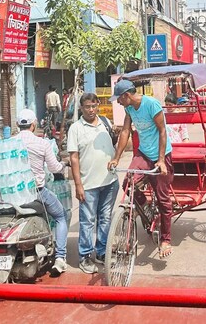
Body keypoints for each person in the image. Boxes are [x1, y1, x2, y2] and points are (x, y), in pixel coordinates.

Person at [108, 79, 174, 259]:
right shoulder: (129, 109)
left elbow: (162, 131)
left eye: (119, 99)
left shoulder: (151, 104)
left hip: (161, 154)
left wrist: (161, 160)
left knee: (163, 199)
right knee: (128, 183)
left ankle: (166, 239)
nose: (118, 102)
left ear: (126, 96)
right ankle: (145, 208)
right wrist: (116, 158)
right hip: (143, 153)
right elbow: (125, 132)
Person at [67, 93, 119, 274]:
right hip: (88, 185)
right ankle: (85, 256)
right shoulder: (75, 128)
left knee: (105, 218)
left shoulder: (105, 122)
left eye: (94, 106)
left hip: (110, 181)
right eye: (87, 107)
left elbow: (113, 144)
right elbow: (74, 158)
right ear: (81, 108)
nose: (91, 110)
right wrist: (78, 185)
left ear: (98, 106)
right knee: (87, 221)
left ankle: (102, 252)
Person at [17, 108, 69, 276]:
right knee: (61, 216)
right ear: (33, 125)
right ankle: (60, 258)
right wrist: (64, 164)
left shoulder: (10, 142)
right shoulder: (42, 143)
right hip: (38, 192)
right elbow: (54, 168)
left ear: (18, 125)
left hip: (15, 195)